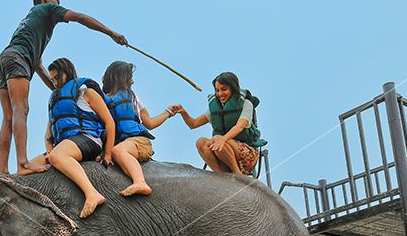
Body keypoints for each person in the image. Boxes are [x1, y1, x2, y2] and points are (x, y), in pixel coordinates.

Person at [0, 0, 127, 177]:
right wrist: (111, 33)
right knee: (21, 110)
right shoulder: (47, 9)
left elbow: (39, 67)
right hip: (18, 58)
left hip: (4, 58)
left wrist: (62, 89)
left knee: (8, 117)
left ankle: (3, 171)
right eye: (58, 0)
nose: (60, 5)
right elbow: (80, 18)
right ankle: (23, 163)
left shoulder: (31, 26)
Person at [26, 57, 116, 218]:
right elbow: (49, 136)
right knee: (26, 168)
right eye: (51, 79)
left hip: (88, 139)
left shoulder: (85, 92)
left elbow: (109, 122)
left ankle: (92, 193)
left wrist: (107, 153)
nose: (54, 82)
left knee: (58, 155)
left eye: (56, 78)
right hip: (66, 145)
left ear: (67, 73)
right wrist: (49, 155)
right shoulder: (57, 101)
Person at [100, 60, 181, 197]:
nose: (132, 81)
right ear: (117, 77)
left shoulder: (133, 98)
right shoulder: (102, 100)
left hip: (138, 142)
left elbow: (149, 123)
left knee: (118, 151)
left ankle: (140, 182)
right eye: (130, 77)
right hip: (118, 142)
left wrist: (167, 112)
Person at [176, 72, 267, 174]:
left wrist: (222, 139)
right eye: (217, 90)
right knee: (201, 142)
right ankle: (220, 175)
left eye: (224, 89)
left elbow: (240, 126)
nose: (220, 94)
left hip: (246, 154)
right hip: (222, 150)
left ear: (233, 88)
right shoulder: (216, 108)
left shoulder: (246, 104)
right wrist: (184, 113)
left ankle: (238, 174)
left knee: (216, 139)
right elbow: (193, 124)